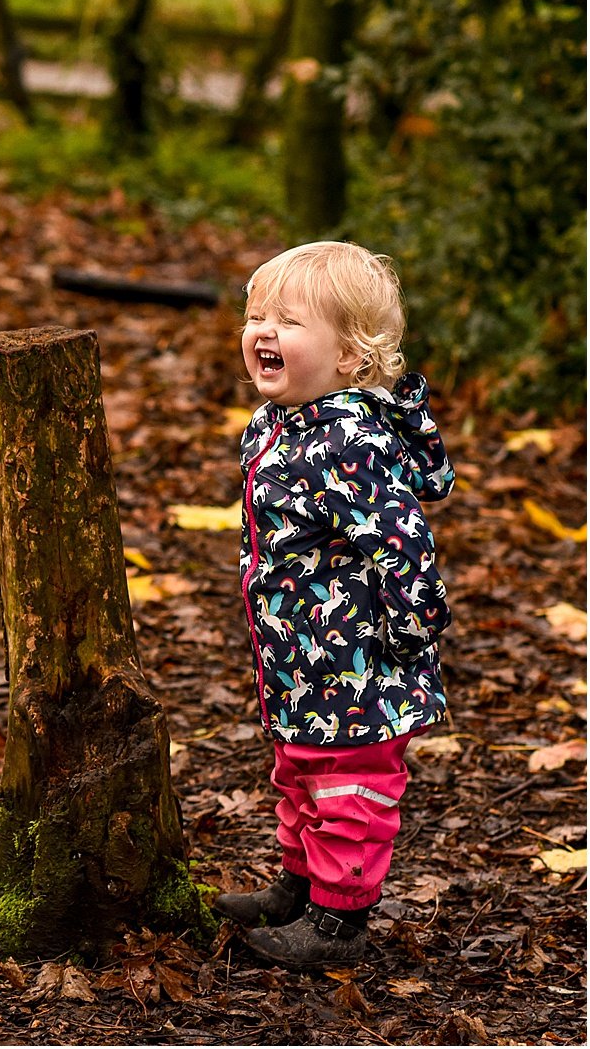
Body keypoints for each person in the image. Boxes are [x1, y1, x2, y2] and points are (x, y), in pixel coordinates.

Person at [215, 240, 453, 968]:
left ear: (350, 354)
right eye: (256, 315)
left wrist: (411, 633)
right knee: (299, 772)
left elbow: (404, 541)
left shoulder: (348, 438)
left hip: (360, 665)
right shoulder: (283, 422)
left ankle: (339, 919)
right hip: (301, 660)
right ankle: (300, 884)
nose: (262, 332)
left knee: (348, 785)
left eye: (288, 321)